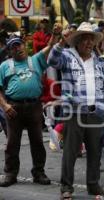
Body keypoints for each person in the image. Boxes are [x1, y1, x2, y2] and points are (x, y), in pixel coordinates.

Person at [47, 22, 104, 199]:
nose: (88, 43)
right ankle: (66, 188)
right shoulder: (67, 55)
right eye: (84, 39)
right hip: (74, 112)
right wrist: (62, 41)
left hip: (95, 113)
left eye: (91, 39)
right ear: (76, 41)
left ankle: (93, 185)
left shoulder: (99, 62)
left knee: (95, 151)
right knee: (70, 152)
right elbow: (52, 60)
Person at [0, 24, 62, 187]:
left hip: (34, 106)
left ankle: (39, 172)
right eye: (13, 47)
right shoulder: (4, 66)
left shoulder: (36, 60)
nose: (17, 48)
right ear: (9, 51)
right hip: (13, 108)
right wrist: (5, 105)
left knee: (37, 141)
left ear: (24, 45)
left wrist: (55, 34)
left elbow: (50, 46)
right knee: (12, 143)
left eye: (19, 44)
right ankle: (10, 174)